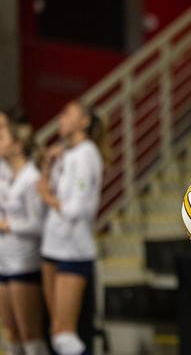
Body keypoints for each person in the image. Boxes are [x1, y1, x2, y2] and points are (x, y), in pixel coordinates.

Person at [37, 101, 105, 355]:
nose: (60, 118)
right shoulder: (65, 154)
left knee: (65, 336)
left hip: (73, 250)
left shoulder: (87, 153)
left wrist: (48, 197)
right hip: (52, 247)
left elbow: (78, 210)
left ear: (84, 121)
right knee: (56, 332)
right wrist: (47, 164)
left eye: (67, 113)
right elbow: (45, 194)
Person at [0, 118, 49, 355]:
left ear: (18, 145)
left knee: (30, 333)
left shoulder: (31, 177)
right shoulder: (7, 176)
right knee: (12, 333)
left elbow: (39, 225)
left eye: (2, 139)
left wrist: (7, 225)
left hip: (24, 261)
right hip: (5, 261)